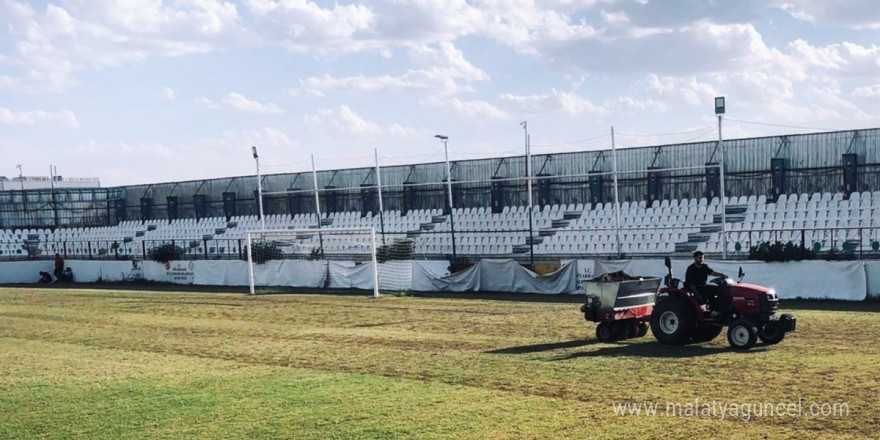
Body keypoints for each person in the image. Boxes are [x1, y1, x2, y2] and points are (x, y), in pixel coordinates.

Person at [684, 251, 729, 316]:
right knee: (711, 291)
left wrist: (722, 275)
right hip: (694, 288)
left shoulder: (704, 267)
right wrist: (698, 295)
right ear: (695, 258)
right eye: (699, 258)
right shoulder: (691, 269)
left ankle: (721, 308)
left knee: (718, 289)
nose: (701, 260)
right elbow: (691, 284)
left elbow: (712, 272)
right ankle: (713, 310)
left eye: (702, 258)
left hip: (702, 287)